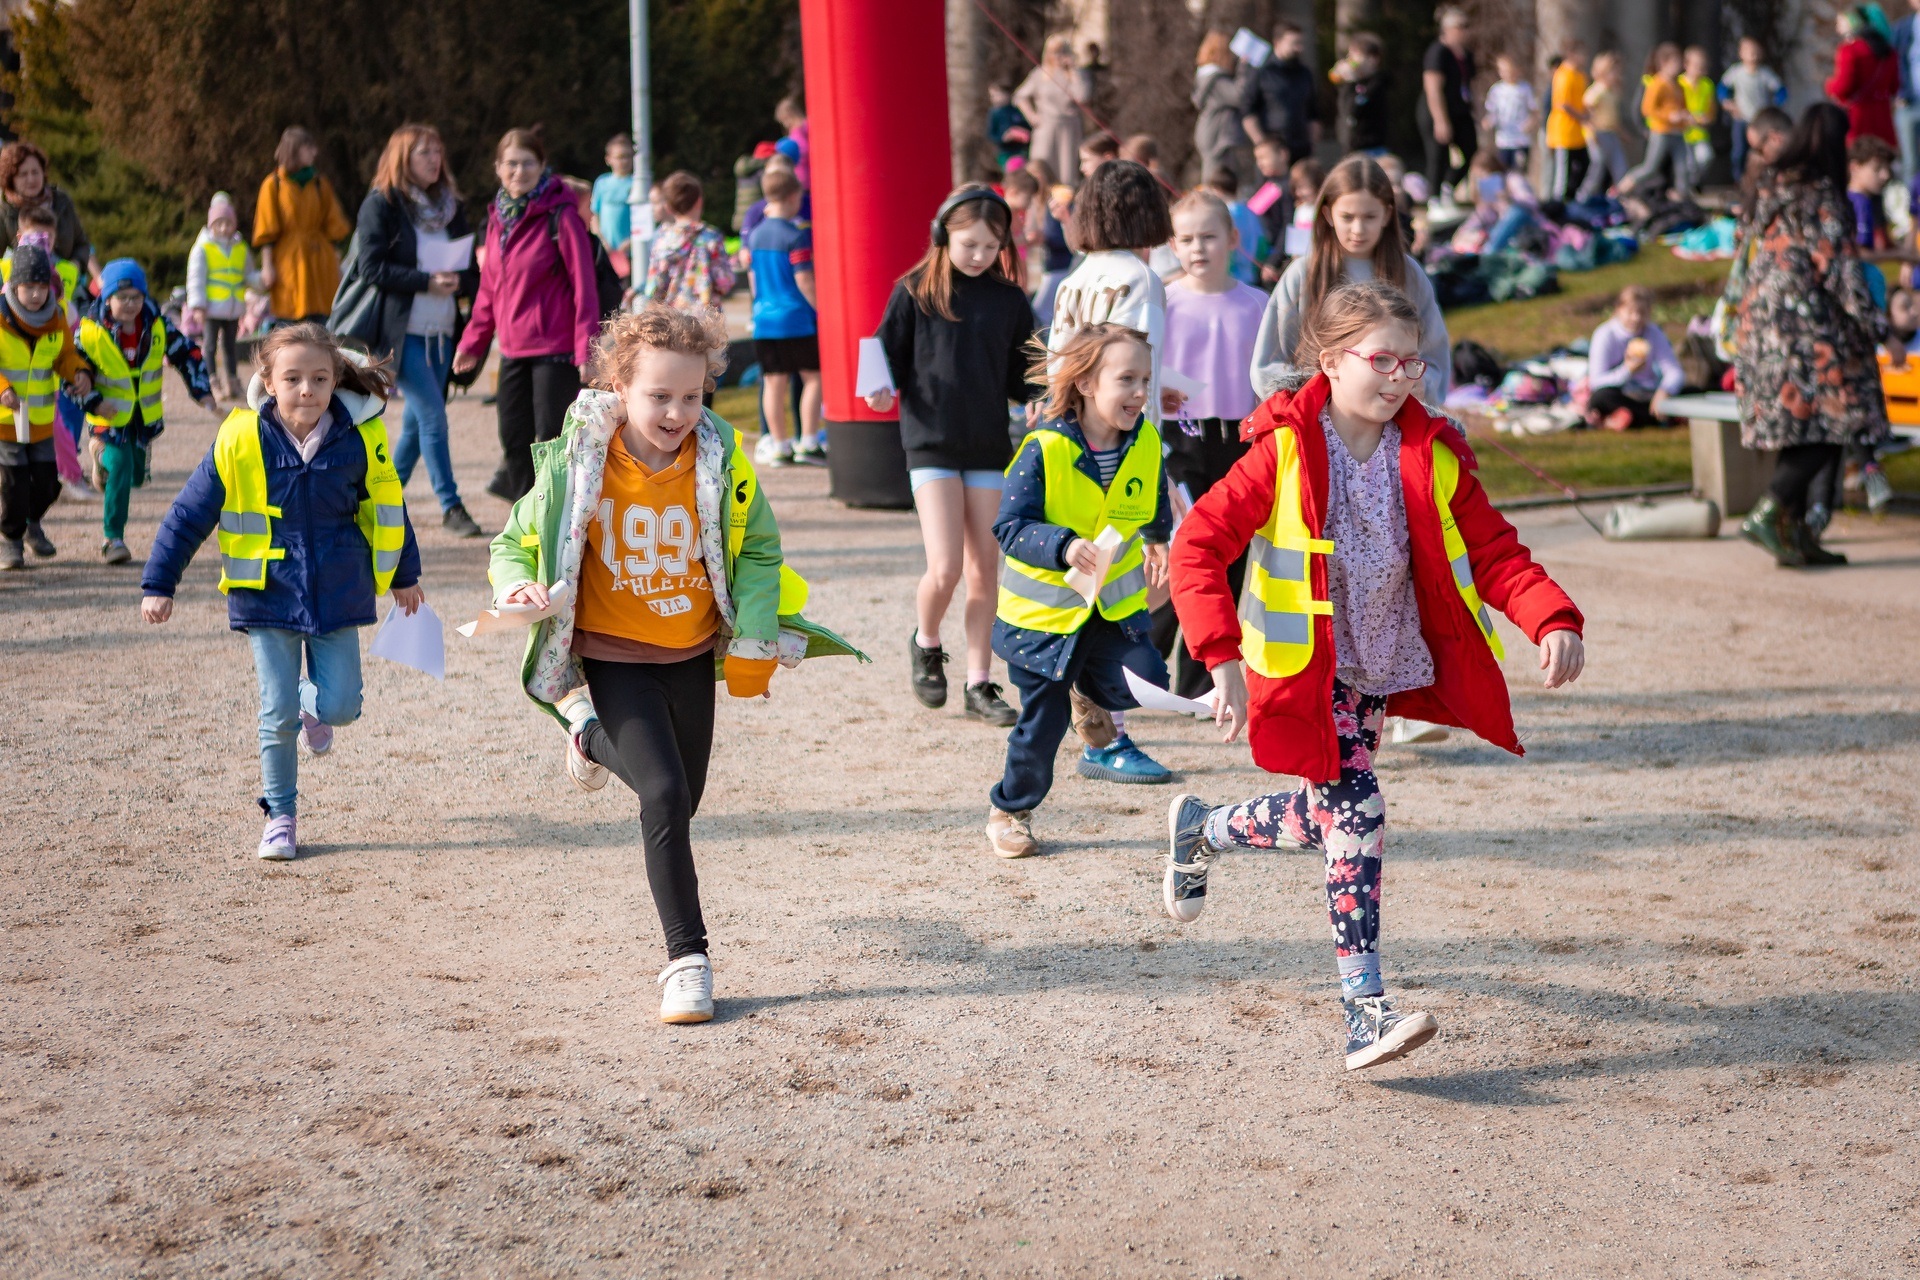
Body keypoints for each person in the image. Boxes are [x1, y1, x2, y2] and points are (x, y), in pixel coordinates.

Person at [1164, 278, 1585, 1071]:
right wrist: (1220, 658)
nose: (1398, 378)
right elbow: (1197, 547)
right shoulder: (1286, 448)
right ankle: (1365, 1011)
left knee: (1323, 817)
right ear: (1330, 360)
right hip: (1302, 670)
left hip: (1376, 670)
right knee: (1357, 812)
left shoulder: (1432, 453)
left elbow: (1495, 552)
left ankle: (1205, 828)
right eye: (1381, 360)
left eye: (1411, 363)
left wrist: (1551, 616)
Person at [486, 305, 860, 1023]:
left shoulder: (721, 459)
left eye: (691, 396)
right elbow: (512, 542)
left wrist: (754, 637)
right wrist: (517, 586)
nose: (677, 413)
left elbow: (758, 551)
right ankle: (687, 961)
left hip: (689, 651)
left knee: (684, 799)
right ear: (619, 387)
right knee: (661, 796)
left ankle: (585, 736)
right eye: (659, 395)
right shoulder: (578, 462)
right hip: (612, 655)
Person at [140, 323, 424, 861]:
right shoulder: (239, 438)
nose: (306, 390)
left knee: (342, 705)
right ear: (268, 382)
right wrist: (160, 581)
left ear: (335, 380)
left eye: (319, 378)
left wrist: (404, 575)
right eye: (292, 379)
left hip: (339, 592)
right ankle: (280, 817)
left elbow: (389, 508)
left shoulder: (360, 438)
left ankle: (311, 705)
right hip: (266, 593)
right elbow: (189, 513)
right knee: (276, 713)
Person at [985, 324, 1174, 858]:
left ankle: (1086, 692)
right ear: (1087, 384)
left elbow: (1152, 493)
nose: (1140, 392)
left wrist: (1158, 537)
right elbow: (1009, 527)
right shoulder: (1043, 448)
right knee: (1041, 728)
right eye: (1126, 379)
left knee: (1147, 681)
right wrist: (1063, 545)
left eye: (1145, 380)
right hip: (1044, 623)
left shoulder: (1146, 440)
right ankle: (1009, 811)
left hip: (1109, 611)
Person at [868, 186, 1034, 726]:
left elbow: (1024, 374)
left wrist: (1039, 395)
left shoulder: (1010, 300)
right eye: (969, 244)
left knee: (986, 569)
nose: (980, 255)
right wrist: (878, 390)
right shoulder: (914, 291)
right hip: (930, 444)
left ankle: (979, 683)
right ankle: (926, 641)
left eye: (991, 246)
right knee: (945, 568)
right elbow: (884, 358)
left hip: (987, 446)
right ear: (943, 236)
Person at [1734, 103, 1903, 567]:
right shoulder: (1822, 195)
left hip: (1760, 325)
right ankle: (1768, 513)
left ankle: (1795, 534)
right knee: (1839, 418)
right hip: (1804, 329)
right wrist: (1882, 331)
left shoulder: (1768, 185)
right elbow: (1842, 271)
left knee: (1800, 427)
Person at [1152, 190, 1267, 700]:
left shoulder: (1257, 304)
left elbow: (1268, 379)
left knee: (1230, 558)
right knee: (1185, 554)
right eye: (1187, 238)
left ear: (1233, 239)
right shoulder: (1163, 302)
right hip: (1181, 442)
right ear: (1173, 244)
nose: (1198, 247)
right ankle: (1145, 661)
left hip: (1240, 444)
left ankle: (1202, 682)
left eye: (1209, 236)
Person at [452, 129, 600, 503]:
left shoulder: (561, 217)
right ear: (498, 168)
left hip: (556, 350)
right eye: (512, 164)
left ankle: (558, 517)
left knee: (552, 442)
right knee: (513, 440)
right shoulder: (498, 220)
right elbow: (489, 290)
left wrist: (586, 350)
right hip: (513, 351)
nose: (520, 171)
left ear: (542, 166)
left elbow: (585, 288)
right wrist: (472, 343)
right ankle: (527, 517)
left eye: (528, 163)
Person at [353, 123, 483, 538]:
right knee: (432, 416)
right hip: (400, 332)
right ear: (402, 158)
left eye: (437, 151)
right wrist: (425, 281)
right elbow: (370, 267)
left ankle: (376, 503)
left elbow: (471, 270)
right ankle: (451, 505)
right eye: (424, 152)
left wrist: (459, 282)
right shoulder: (381, 204)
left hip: (443, 331)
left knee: (414, 425)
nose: (434, 159)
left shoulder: (451, 206)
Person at [1250, 156, 1450, 405]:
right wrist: (1310, 398)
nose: (1358, 229)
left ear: (1387, 215)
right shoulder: (1303, 274)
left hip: (1393, 414)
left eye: (1369, 217)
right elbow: (1269, 363)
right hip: (1318, 416)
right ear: (1328, 214)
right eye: (1347, 217)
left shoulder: (1408, 273)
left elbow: (1434, 356)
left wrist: (1419, 385)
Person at [78, 258, 216, 563]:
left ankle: (101, 462)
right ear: (107, 298)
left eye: (136, 297)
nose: (130, 304)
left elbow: (188, 354)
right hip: (107, 416)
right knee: (121, 466)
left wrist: (202, 391)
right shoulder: (90, 332)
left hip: (142, 419)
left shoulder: (157, 326)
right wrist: (93, 400)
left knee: (136, 476)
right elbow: (73, 372)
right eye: (122, 297)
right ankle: (113, 539)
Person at [1049, 161, 1182, 440]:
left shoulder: (1072, 279)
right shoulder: (1140, 279)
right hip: (1120, 440)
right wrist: (1148, 442)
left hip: (1073, 430)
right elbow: (1140, 365)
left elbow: (1057, 368)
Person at [0, 243, 92, 570]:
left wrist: (78, 372)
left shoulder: (56, 318)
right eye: (29, 287)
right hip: (6, 422)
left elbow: (65, 355)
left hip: (39, 420)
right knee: (14, 484)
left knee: (48, 483)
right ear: (14, 286)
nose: (37, 294)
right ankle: (11, 541)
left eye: (42, 287)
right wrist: (3, 388)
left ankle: (30, 524)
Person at [746, 166, 824, 468]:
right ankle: (808, 441)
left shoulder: (755, 235)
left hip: (764, 320)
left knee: (773, 383)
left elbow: (754, 279)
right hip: (796, 319)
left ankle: (779, 444)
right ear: (793, 197)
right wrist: (821, 309)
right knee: (813, 378)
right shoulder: (796, 236)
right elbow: (804, 279)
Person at [253, 127, 353, 325]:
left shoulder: (320, 184)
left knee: (322, 325)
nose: (314, 152)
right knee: (289, 324)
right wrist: (267, 266)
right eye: (308, 148)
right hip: (288, 264)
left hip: (320, 263)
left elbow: (333, 226)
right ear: (294, 150)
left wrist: (337, 264)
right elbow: (267, 232)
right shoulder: (273, 185)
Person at [186, 193, 259, 402]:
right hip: (211, 309)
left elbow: (248, 274)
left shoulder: (240, 248)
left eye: (228, 223)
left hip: (233, 309)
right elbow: (195, 278)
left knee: (230, 347)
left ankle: (233, 383)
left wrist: (261, 281)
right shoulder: (203, 248)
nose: (224, 228)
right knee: (209, 346)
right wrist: (197, 306)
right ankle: (212, 383)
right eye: (219, 223)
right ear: (211, 225)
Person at [0, 140, 98, 285]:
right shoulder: (5, 209)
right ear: (11, 179)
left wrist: (74, 266)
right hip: (23, 287)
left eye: (35, 172)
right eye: (23, 174)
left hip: (66, 283)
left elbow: (82, 244)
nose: (31, 179)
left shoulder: (61, 202)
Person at [1584, 285, 1682, 430]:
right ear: (1618, 309)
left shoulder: (1653, 332)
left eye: (1642, 312)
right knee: (1601, 397)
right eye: (1630, 312)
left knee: (1692, 390)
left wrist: (1664, 391)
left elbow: (1674, 371)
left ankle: (1631, 418)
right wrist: (1627, 370)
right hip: (1621, 393)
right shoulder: (1605, 335)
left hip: (1648, 393)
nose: (1636, 318)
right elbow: (1596, 381)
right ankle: (1662, 417)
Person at [642, 171, 736, 315]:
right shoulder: (711, 237)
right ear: (699, 202)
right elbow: (724, 282)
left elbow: (653, 287)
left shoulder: (662, 240)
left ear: (668, 207)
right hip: (706, 320)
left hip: (672, 319)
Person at [1014, 35, 1092, 190]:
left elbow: (1082, 97)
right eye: (1054, 52)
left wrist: (1073, 71)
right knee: (1041, 167)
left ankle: (1067, 199)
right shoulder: (1040, 74)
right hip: (1046, 125)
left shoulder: (1077, 74)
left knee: (1067, 171)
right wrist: (1032, 116)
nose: (1058, 56)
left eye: (1062, 52)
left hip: (1069, 126)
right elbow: (1020, 96)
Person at [1418, 6, 1478, 203]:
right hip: (1437, 111)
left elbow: (1467, 85)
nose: (1466, 31)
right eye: (1461, 26)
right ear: (1447, 29)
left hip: (1459, 110)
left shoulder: (1465, 55)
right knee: (1438, 155)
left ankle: (1448, 186)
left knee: (1470, 149)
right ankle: (1434, 198)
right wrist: (1441, 120)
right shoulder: (1438, 52)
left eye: (1467, 26)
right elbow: (1433, 88)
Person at [1619, 44, 1694, 201]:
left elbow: (1683, 107)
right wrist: (1669, 116)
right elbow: (1647, 109)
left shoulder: (1678, 85)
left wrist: (1686, 117)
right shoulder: (1657, 83)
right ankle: (1622, 188)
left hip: (1677, 133)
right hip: (1661, 131)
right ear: (1664, 63)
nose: (1679, 66)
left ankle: (1683, 198)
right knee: (1650, 167)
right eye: (1675, 62)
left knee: (1683, 167)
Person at [1240, 21, 1319, 166]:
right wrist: (1261, 144)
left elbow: (1313, 113)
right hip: (1273, 150)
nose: (1299, 48)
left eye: (1300, 43)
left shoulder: (1304, 73)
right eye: (1294, 43)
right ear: (1277, 42)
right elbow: (1248, 111)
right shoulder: (1262, 72)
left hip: (1301, 148)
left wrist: (1312, 143)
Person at [1829, 6, 1901, 148]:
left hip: (1858, 116)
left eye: (1840, 22)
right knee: (1882, 154)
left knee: (1858, 154)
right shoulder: (1889, 51)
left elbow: (1843, 87)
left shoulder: (1850, 50)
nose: (1837, 28)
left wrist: (1829, 85)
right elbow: (1894, 86)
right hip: (1882, 114)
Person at [1720, 37, 1788, 183]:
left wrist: (1775, 106)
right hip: (1741, 119)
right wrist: (1727, 102)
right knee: (1739, 151)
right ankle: (1739, 180)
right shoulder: (1736, 72)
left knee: (1761, 151)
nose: (1753, 54)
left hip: (1759, 122)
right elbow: (1722, 88)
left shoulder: (1765, 74)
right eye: (1749, 51)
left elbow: (1781, 90)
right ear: (1741, 53)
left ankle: (1762, 179)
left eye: (1755, 51)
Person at [1192, 32, 1248, 183]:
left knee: (1214, 174)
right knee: (1217, 179)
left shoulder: (1206, 77)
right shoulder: (1216, 80)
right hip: (1218, 134)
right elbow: (1238, 96)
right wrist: (1244, 68)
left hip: (1211, 130)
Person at [1575, 51, 1631, 202]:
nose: (1616, 75)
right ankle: (1583, 198)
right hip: (1598, 134)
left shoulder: (1612, 92)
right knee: (1598, 166)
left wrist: (1622, 133)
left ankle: (1623, 199)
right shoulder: (1596, 91)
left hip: (1611, 134)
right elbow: (1586, 113)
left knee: (1621, 168)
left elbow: (1612, 118)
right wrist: (1591, 132)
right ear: (1602, 72)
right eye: (1613, 72)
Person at [1545, 40, 1591, 201]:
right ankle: (1559, 202)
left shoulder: (1581, 75)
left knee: (1585, 165)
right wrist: (1582, 116)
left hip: (1578, 133)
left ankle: (1573, 199)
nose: (1584, 58)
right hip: (1564, 132)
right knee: (1563, 174)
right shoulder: (1563, 74)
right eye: (1581, 54)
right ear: (1571, 55)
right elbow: (1563, 104)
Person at [1330, 33, 1390, 157]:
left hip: (1371, 149)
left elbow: (1353, 109)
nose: (1350, 61)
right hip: (1351, 148)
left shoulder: (1376, 85)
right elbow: (1343, 110)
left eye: (1356, 56)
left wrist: (1350, 81)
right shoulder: (1356, 84)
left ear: (1372, 59)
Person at [1482, 51, 1541, 173]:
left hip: (1521, 140)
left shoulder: (1525, 88)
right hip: (1503, 140)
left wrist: (1530, 123)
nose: (1507, 74)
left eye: (1510, 71)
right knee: (1503, 172)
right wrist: (1488, 121)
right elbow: (1492, 113)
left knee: (1518, 173)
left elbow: (1535, 111)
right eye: (1503, 71)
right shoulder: (1496, 90)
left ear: (1518, 70)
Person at [590, 133, 637, 280]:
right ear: (608, 159)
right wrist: (602, 241)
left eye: (628, 156)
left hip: (631, 253)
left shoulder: (637, 183)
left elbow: (645, 219)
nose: (624, 161)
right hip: (606, 251)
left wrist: (631, 241)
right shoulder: (602, 183)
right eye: (620, 157)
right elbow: (594, 216)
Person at [1249, 138, 1295, 284]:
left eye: (1264, 157)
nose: (1259, 163)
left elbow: (1288, 226)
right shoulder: (1265, 184)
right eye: (1257, 159)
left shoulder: (1290, 186)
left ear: (1282, 154)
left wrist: (1273, 261)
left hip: (1275, 263)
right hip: (1257, 259)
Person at [1849, 135, 1899, 250]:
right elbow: (1862, 252)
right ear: (1855, 167)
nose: (1885, 175)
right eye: (1877, 169)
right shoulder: (1860, 203)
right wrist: (1905, 255)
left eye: (1887, 169)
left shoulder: (1869, 200)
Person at [1679, 46, 1720, 178]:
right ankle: (1687, 184)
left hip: (1700, 133)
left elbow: (1712, 110)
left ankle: (1692, 182)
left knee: (1705, 157)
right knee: (1688, 163)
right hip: (1682, 134)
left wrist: (1707, 119)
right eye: (1696, 65)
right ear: (1686, 65)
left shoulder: (1707, 85)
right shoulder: (1678, 83)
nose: (1700, 69)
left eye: (1703, 66)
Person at [987, 84, 1032, 170]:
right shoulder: (994, 113)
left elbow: (1027, 127)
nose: (993, 98)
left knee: (1023, 171)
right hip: (1005, 151)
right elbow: (991, 134)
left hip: (1021, 150)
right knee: (1010, 171)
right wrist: (1003, 138)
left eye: (997, 95)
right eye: (992, 96)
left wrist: (1022, 133)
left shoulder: (1017, 110)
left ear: (1007, 94)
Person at [776, 95, 811, 191]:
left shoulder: (801, 130)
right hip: (801, 179)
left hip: (806, 178)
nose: (785, 125)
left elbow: (804, 150)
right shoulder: (798, 130)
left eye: (784, 120)